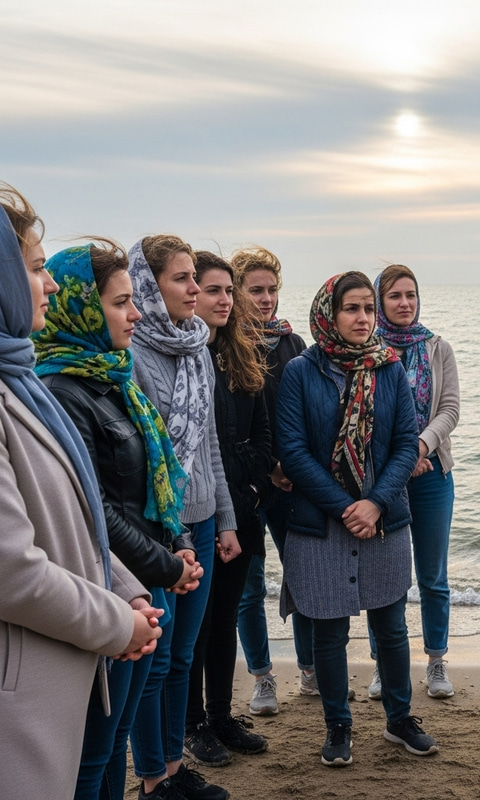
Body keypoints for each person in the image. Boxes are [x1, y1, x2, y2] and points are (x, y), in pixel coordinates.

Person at [0, 187, 161, 800]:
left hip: (61, 669)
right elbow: (13, 571)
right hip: (24, 698)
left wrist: (128, 591)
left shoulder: (20, 382)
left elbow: (76, 518)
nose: (53, 285)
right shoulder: (37, 385)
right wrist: (116, 622)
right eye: (37, 268)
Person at [33, 241, 203, 800]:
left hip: (144, 581)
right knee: (92, 756)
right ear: (83, 307)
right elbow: (95, 509)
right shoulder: (63, 390)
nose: (134, 314)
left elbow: (162, 474)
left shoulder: (114, 376)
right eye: (120, 303)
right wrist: (165, 565)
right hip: (108, 587)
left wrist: (177, 544)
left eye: (134, 301)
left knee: (119, 739)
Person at [275, 271, 439, 767]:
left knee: (390, 626)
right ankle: (338, 725)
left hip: (383, 516)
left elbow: (406, 444)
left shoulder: (389, 369)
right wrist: (345, 507)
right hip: (321, 520)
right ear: (329, 312)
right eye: (352, 308)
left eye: (369, 308)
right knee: (329, 631)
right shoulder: (301, 372)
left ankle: (399, 717)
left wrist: (375, 503)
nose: (363, 317)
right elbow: (294, 451)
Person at [128, 235, 237, 800]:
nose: (195, 289)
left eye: (196, 277)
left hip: (199, 521)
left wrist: (225, 520)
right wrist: (173, 535)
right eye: (181, 279)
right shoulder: (134, 355)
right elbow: (145, 462)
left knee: (182, 657)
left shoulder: (198, 346)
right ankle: (152, 777)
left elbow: (210, 445)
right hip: (155, 530)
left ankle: (173, 766)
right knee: (157, 656)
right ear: (149, 286)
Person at [184, 251, 270, 766]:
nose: (222, 300)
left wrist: (252, 487)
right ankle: (193, 723)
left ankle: (220, 715)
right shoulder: (187, 356)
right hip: (203, 510)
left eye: (227, 291)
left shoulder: (239, 353)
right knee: (197, 624)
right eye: (212, 290)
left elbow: (261, 431)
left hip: (243, 507)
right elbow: (198, 446)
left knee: (225, 620)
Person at [368, 264, 460, 700]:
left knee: (432, 575)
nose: (405, 303)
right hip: (384, 480)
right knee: (385, 577)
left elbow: (450, 410)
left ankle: (437, 661)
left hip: (432, 475)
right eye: (395, 296)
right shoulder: (366, 351)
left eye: (411, 295)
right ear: (380, 302)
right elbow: (364, 419)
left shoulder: (437, 347)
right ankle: (384, 666)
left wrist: (419, 449)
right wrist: (399, 462)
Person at [231, 246, 313, 711]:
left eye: (272, 289)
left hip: (291, 482)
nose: (266, 299)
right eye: (255, 290)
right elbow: (231, 426)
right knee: (249, 587)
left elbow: (301, 416)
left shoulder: (292, 343)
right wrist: (267, 471)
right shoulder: (224, 345)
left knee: (301, 579)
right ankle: (262, 677)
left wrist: (290, 468)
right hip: (248, 487)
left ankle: (309, 669)